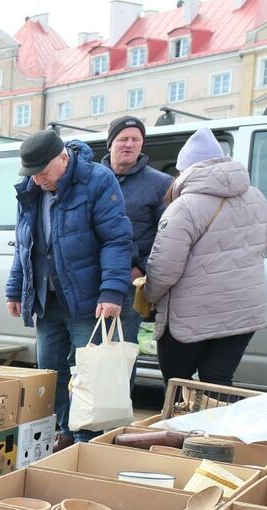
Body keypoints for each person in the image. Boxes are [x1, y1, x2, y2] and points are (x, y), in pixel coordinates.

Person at [5, 130, 133, 449]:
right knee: (50, 371)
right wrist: (15, 288)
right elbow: (25, 244)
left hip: (87, 300)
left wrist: (112, 291)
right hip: (47, 300)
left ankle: (87, 439)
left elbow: (116, 239)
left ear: (64, 158)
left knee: (90, 373)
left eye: (44, 173)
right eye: (32, 175)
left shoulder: (97, 181)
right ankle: (64, 429)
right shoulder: (30, 189)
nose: (38, 181)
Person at [145, 128, 267, 386]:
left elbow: (165, 268)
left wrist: (148, 297)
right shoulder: (257, 197)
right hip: (243, 310)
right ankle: (216, 427)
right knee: (218, 380)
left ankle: (181, 427)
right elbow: (265, 245)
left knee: (178, 384)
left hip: (192, 312)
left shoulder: (184, 206)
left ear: (186, 169)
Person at [100, 115, 172, 351]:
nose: (129, 144)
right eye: (123, 139)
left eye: (136, 139)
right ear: (110, 143)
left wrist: (140, 268)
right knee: (84, 354)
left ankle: (121, 390)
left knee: (120, 353)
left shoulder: (160, 183)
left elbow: (167, 236)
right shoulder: (93, 178)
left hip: (129, 282)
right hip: (89, 278)